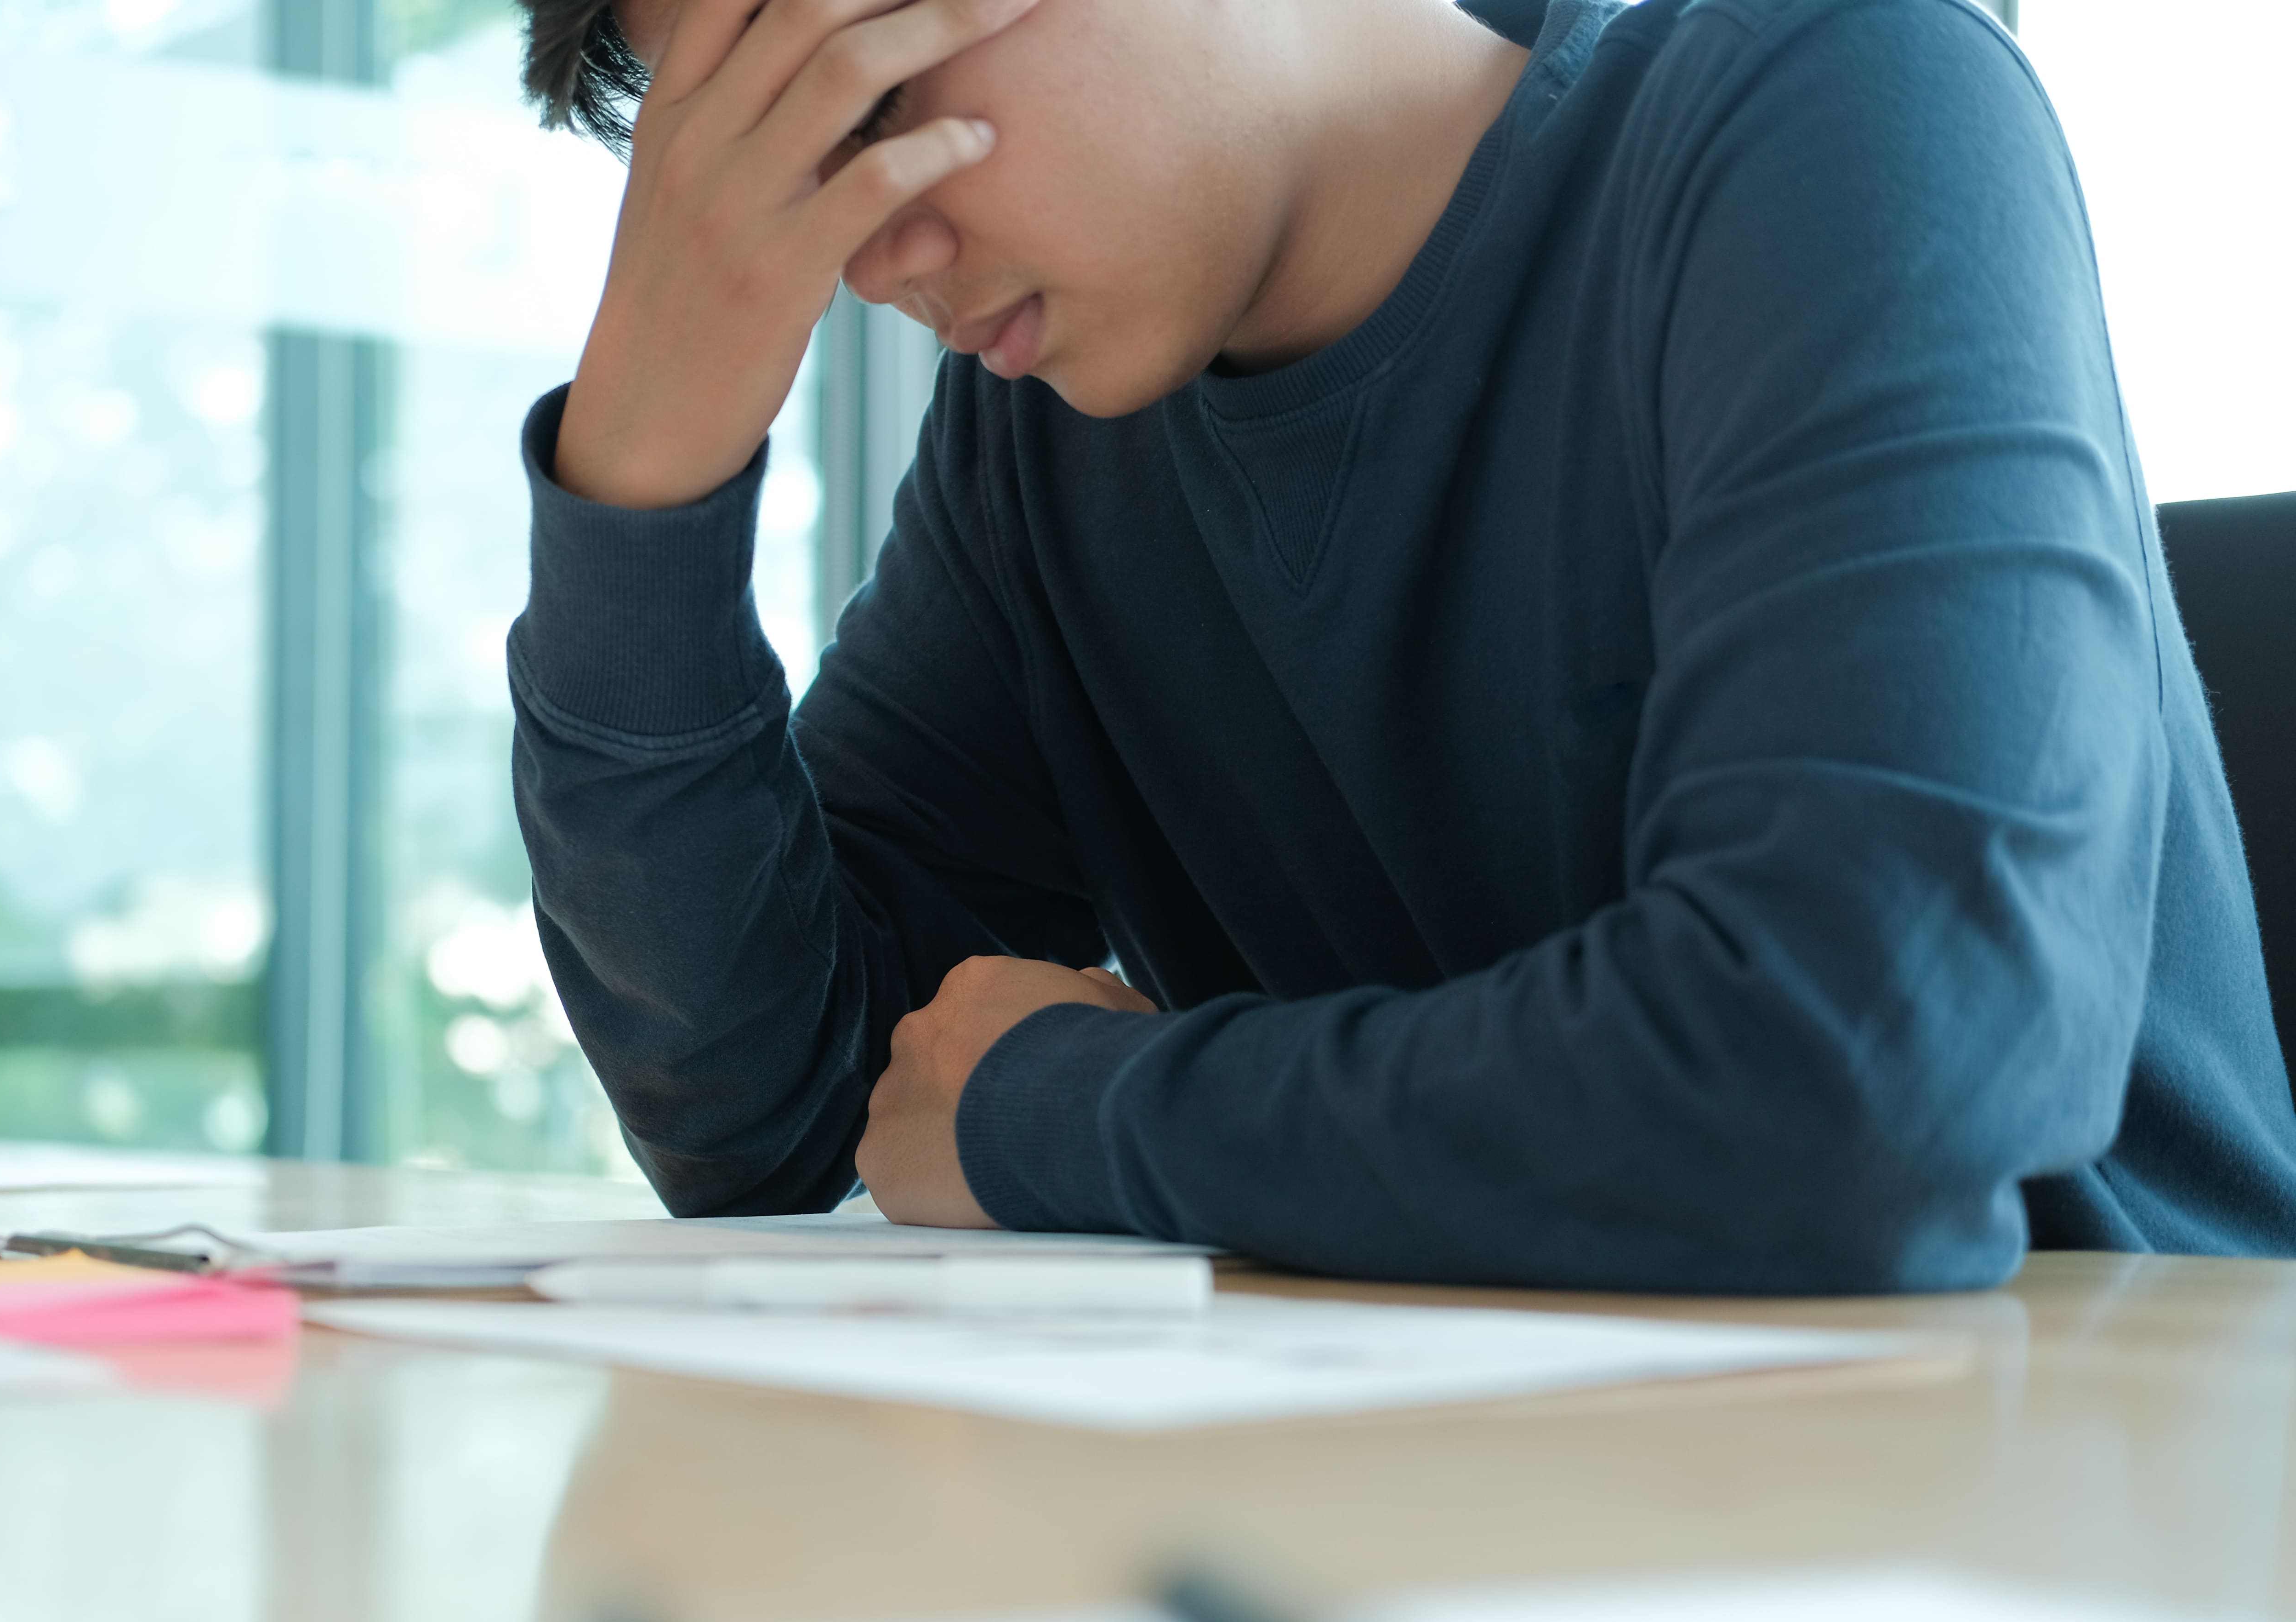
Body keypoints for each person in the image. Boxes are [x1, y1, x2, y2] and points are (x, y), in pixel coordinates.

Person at [502, 0, 2296, 1291]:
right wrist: (645, 465)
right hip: (1497, 1530)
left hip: (2057, 1551)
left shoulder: (1838, 98)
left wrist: (1080, 1109)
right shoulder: (1050, 438)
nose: (860, 253)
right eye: (763, 184)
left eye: (871, 100)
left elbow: (1864, 1085)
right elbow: (795, 1129)